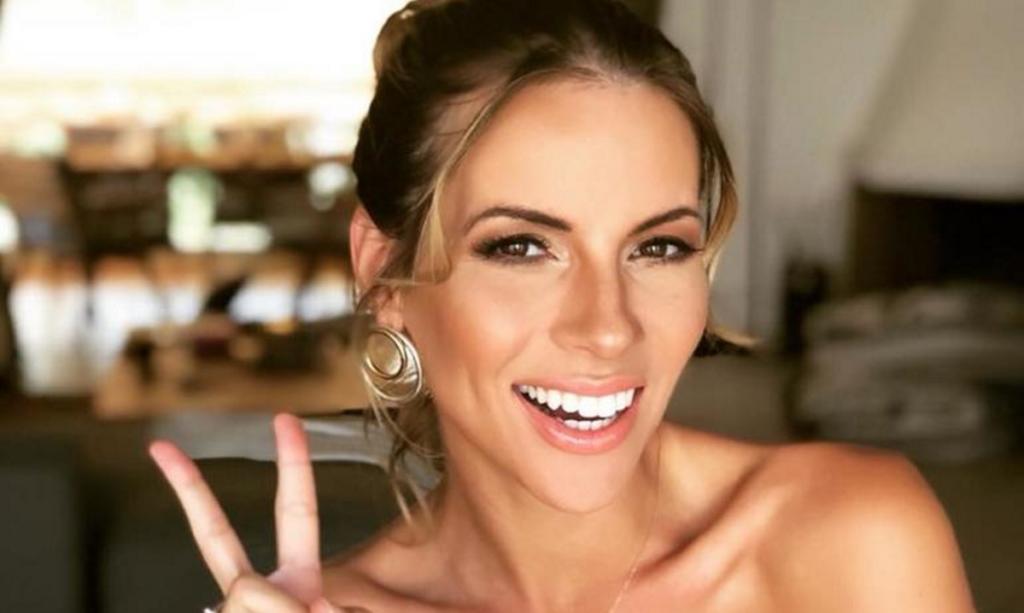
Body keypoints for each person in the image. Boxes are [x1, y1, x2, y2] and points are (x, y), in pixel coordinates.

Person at [149, 0, 976, 611]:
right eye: (521, 247)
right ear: (385, 272)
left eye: (658, 247)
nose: (608, 326)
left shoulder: (853, 540)